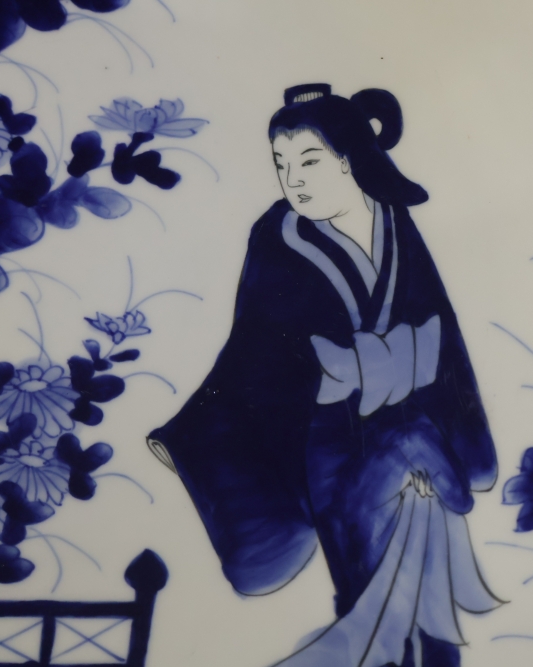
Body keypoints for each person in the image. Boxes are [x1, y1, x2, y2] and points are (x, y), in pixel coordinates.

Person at [147, 83, 500, 667]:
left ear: (348, 158)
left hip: (418, 434)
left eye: (309, 161)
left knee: (430, 582)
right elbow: (252, 353)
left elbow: (440, 326)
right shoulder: (277, 237)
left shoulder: (395, 221)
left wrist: (464, 437)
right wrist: (200, 433)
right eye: (281, 165)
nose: (294, 181)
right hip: (334, 445)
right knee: (365, 584)